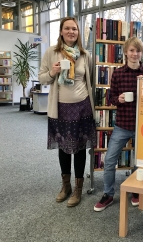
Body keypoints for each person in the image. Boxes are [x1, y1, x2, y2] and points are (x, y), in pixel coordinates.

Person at [38, 17, 96, 207]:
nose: (71, 31)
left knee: (79, 148)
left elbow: (91, 80)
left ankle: (78, 189)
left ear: (78, 32)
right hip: (61, 108)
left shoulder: (85, 55)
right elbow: (42, 78)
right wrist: (53, 72)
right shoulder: (51, 53)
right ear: (61, 31)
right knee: (63, 148)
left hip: (82, 107)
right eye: (67, 28)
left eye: (75, 29)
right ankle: (66, 186)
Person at [94, 37, 143, 212]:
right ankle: (108, 194)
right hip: (122, 124)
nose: (135, 54)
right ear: (126, 53)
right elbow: (111, 98)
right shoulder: (118, 73)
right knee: (110, 159)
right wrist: (118, 99)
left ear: (141, 53)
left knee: (140, 161)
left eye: (138, 51)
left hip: (142, 125)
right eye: (131, 51)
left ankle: (136, 191)